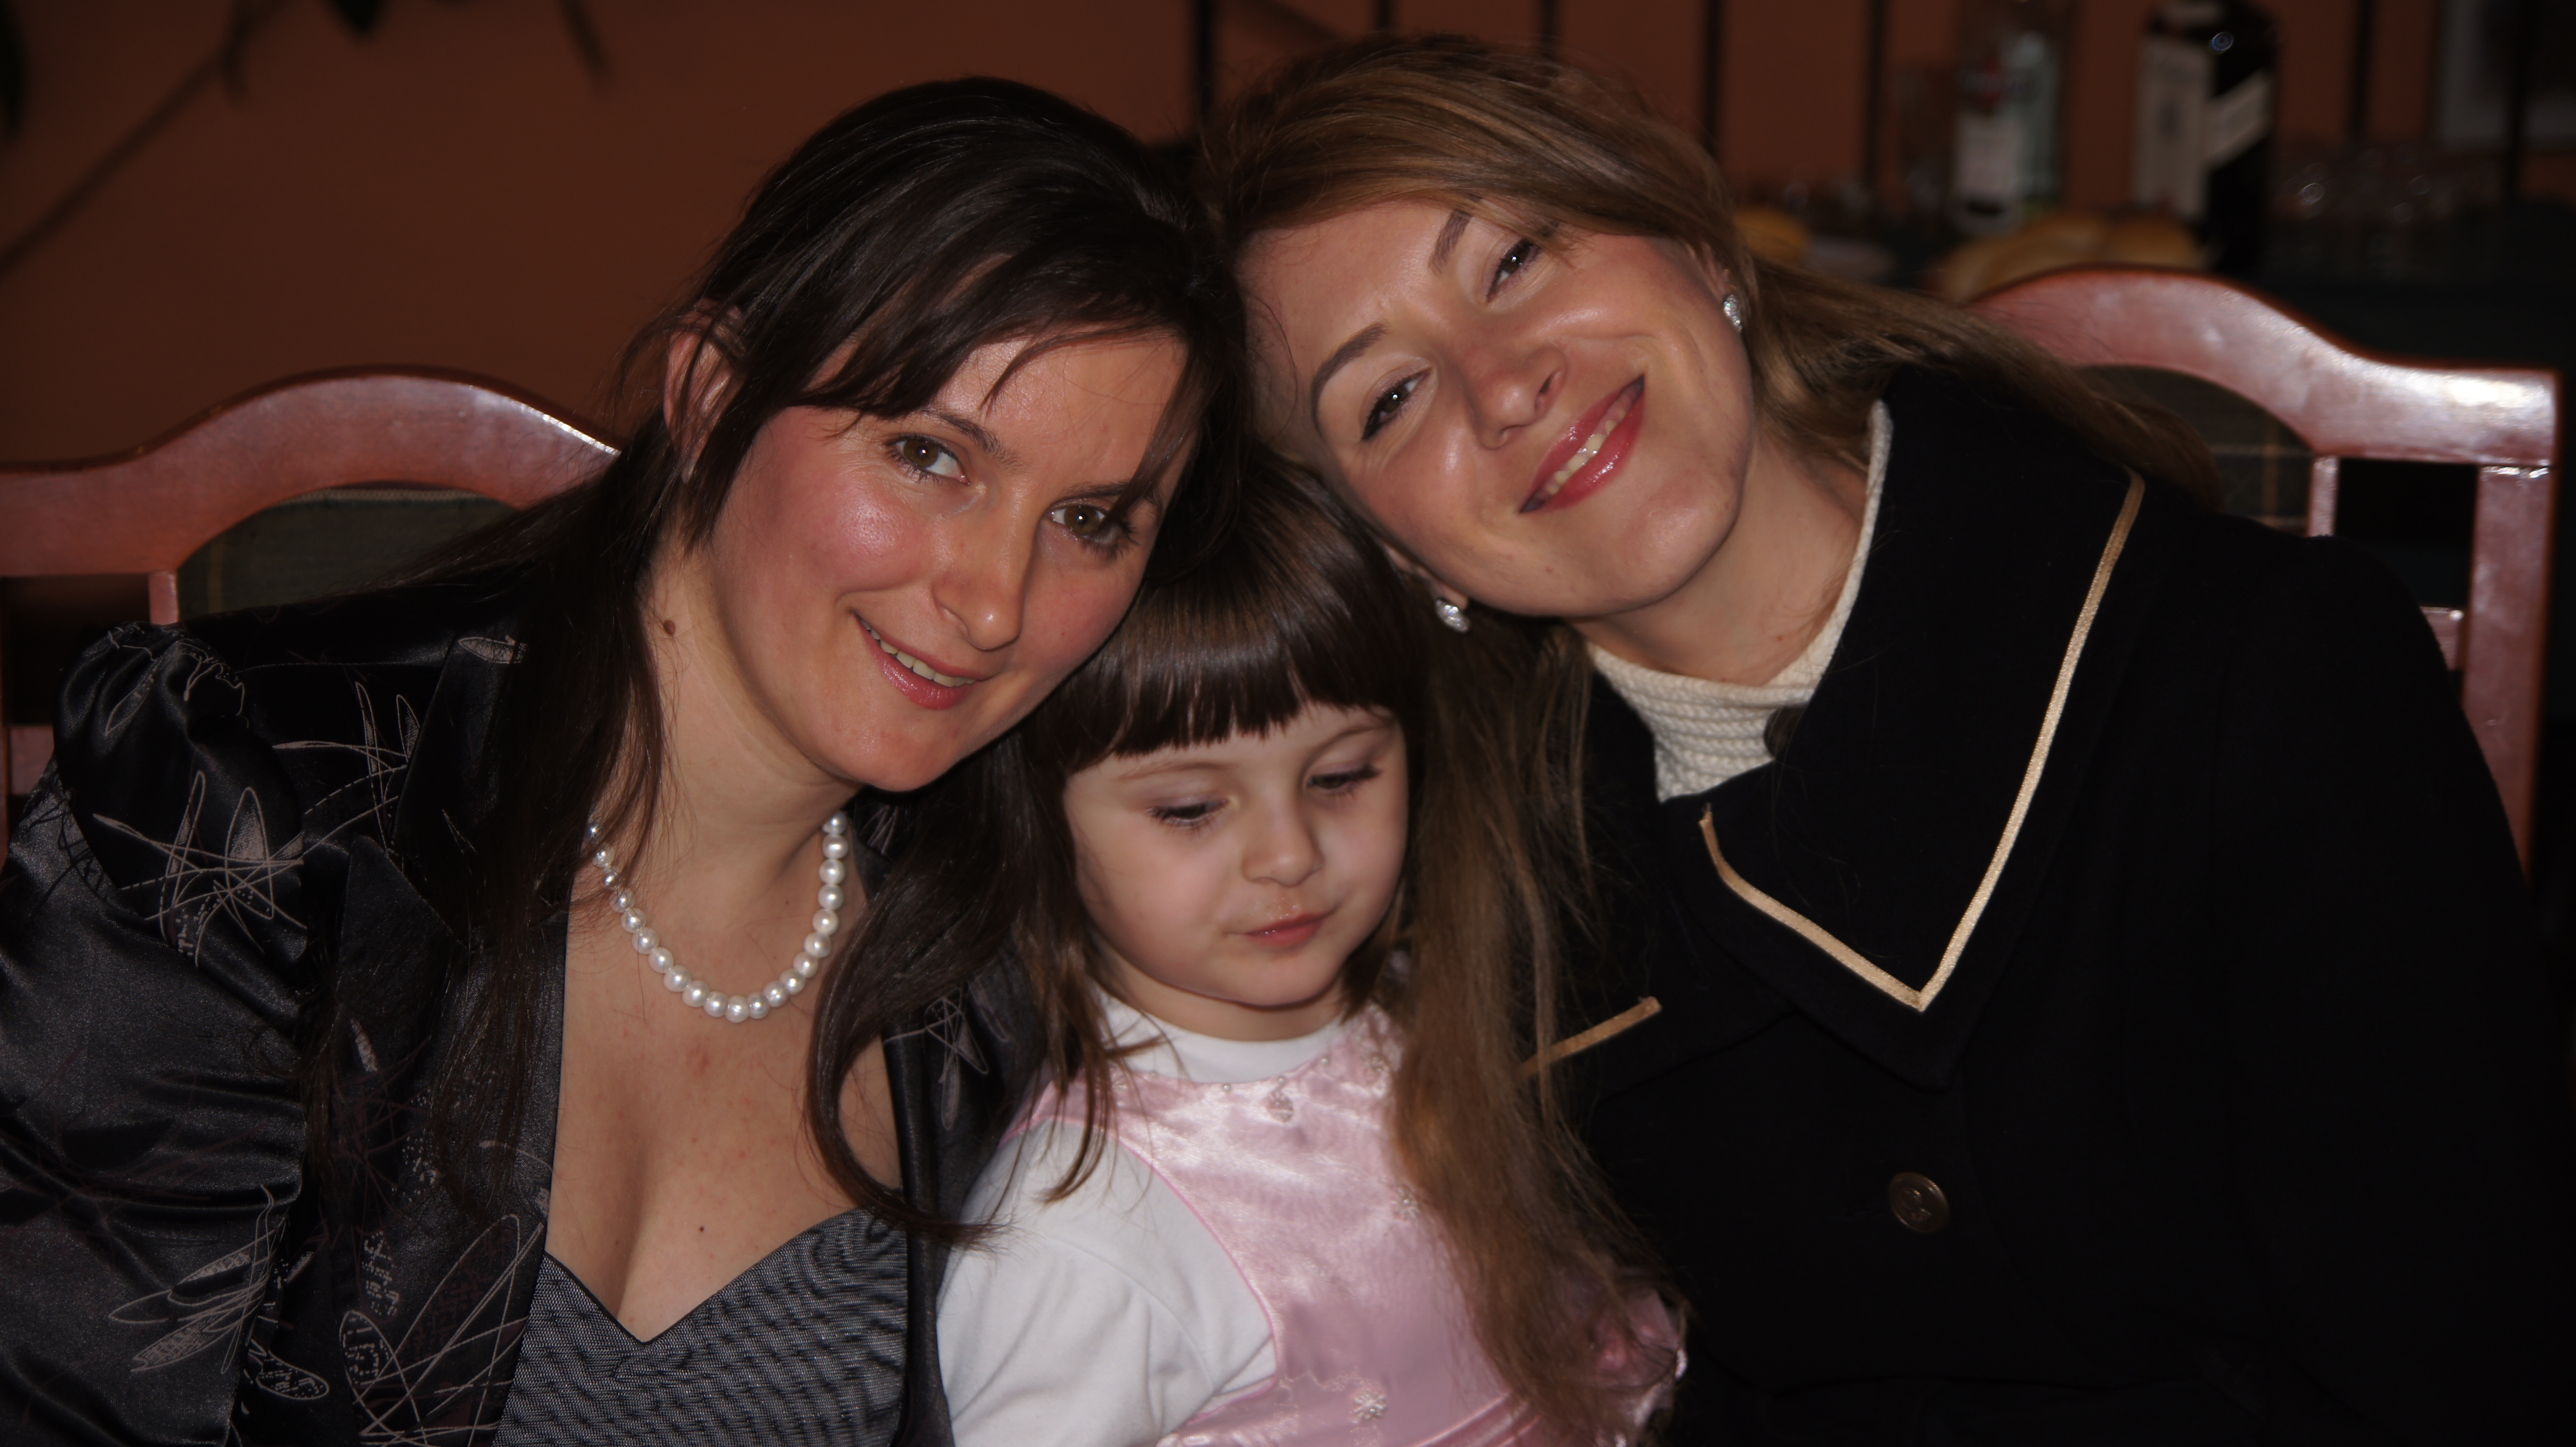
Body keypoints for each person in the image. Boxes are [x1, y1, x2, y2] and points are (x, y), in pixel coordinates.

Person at [1203, 34, 2576, 1445]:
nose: (1503, 387)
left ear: (1694, 242)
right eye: (1389, 400)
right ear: (1389, 549)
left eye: (1513, 261)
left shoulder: (2257, 675)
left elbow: (2464, 1373)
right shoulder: (1479, 894)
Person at [0, 78, 1238, 1446]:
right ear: (711, 396)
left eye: (1090, 520)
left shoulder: (1023, 940)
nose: (997, 602)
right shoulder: (251, 801)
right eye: (928, 456)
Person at [930, 469, 1675, 1446]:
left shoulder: (1421, 1001)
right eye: (1190, 808)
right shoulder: (1084, 1236)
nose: (1289, 855)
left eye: (1340, 776)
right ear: (1038, 819)